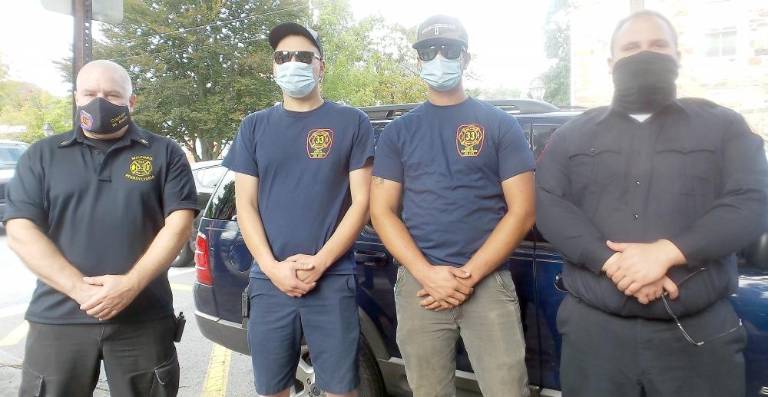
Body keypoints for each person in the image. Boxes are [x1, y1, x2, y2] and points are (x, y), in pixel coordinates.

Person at [536, 10, 768, 397]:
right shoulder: (570, 137)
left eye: (658, 45)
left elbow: (751, 199)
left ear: (678, 55)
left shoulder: (725, 127)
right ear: (611, 63)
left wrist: (669, 252)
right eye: (631, 47)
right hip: (596, 340)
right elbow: (548, 204)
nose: (645, 54)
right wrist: (613, 263)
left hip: (698, 339)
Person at [5, 59, 197, 397]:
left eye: (112, 94)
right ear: (76, 97)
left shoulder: (165, 153)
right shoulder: (41, 156)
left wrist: (129, 286)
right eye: (90, 93)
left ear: (131, 102)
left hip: (144, 319)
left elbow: (179, 225)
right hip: (58, 319)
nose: (99, 101)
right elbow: (21, 230)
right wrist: (80, 290)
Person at [370, 14, 535, 397]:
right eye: (428, 50)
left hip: (489, 284)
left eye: (449, 49)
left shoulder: (499, 125)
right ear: (418, 60)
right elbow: (381, 212)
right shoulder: (398, 132)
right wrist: (427, 274)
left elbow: (523, 211)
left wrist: (468, 276)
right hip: (419, 286)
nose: (438, 57)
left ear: (466, 58)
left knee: (508, 391)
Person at [223, 22, 374, 397]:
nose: (292, 63)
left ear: (321, 66)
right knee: (272, 389)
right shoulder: (254, 127)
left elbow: (362, 202)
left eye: (303, 56)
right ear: (273, 67)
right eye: (282, 57)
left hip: (333, 278)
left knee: (342, 389)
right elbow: (245, 205)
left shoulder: (352, 122)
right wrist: (273, 268)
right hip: (268, 281)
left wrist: (320, 262)